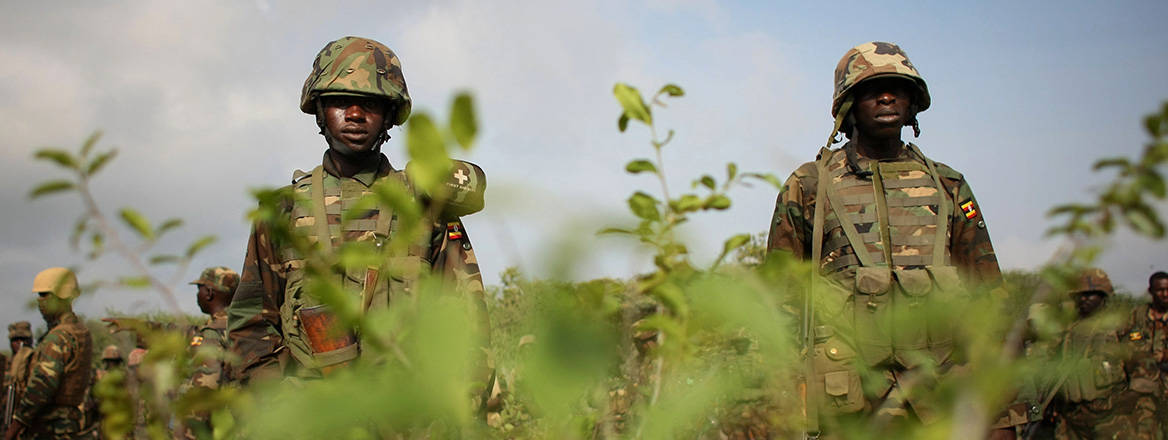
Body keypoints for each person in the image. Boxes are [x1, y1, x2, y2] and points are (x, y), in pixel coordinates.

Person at [225, 36, 491, 399]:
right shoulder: (282, 212)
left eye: (370, 103)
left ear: (390, 115)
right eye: (339, 102)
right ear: (319, 110)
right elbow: (251, 328)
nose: (354, 114)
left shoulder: (424, 206)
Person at [767, 42, 1005, 436]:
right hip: (848, 404)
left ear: (913, 102)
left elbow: (987, 299)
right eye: (872, 88)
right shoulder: (810, 186)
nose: (887, 96)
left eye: (898, 87)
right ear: (848, 104)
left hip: (939, 399)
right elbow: (778, 302)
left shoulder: (948, 186)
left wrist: (1004, 414)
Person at [1049, 268, 1158, 439]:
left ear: (1104, 296)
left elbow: (1144, 371)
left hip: (1111, 419)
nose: (1083, 299)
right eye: (1079, 295)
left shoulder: (1121, 326)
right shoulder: (1066, 332)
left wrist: (1126, 404)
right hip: (1071, 419)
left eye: (1090, 294)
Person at [5, 267, 95, 440]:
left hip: (51, 428)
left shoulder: (58, 337)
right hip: (69, 425)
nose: (40, 301)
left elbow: (42, 385)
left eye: (44, 294)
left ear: (58, 297)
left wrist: (16, 425)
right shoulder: (81, 332)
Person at [179, 266, 238, 438]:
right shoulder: (245, 325)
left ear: (209, 293)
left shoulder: (213, 332)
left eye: (199, 289)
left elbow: (203, 393)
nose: (197, 295)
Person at [1124, 270, 1168, 437]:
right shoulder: (1136, 316)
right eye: (1160, 290)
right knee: (1143, 432)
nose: (1165, 294)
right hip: (1142, 389)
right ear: (1151, 291)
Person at [2, 322, 33, 435]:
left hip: (25, 420)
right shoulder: (5, 364)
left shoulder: (34, 361)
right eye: (16, 340)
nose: (20, 343)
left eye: (24, 339)